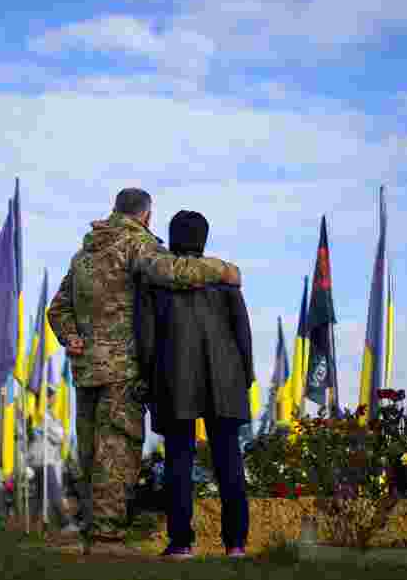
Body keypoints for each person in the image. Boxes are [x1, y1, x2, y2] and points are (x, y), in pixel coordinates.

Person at [48, 188, 241, 554]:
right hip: (122, 368)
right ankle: (108, 538)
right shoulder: (135, 245)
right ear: (146, 216)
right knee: (117, 449)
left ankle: (88, 532)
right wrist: (223, 269)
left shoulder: (85, 254)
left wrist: (71, 337)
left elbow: (58, 309)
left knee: (90, 451)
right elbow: (174, 272)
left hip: (87, 367)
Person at [137, 210, 253, 559]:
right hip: (226, 378)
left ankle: (181, 543)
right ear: (205, 239)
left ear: (172, 239)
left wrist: (147, 379)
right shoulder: (225, 278)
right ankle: (236, 544)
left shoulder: (154, 280)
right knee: (229, 460)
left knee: (178, 461)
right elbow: (242, 332)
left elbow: (146, 338)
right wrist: (244, 376)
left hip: (174, 379)